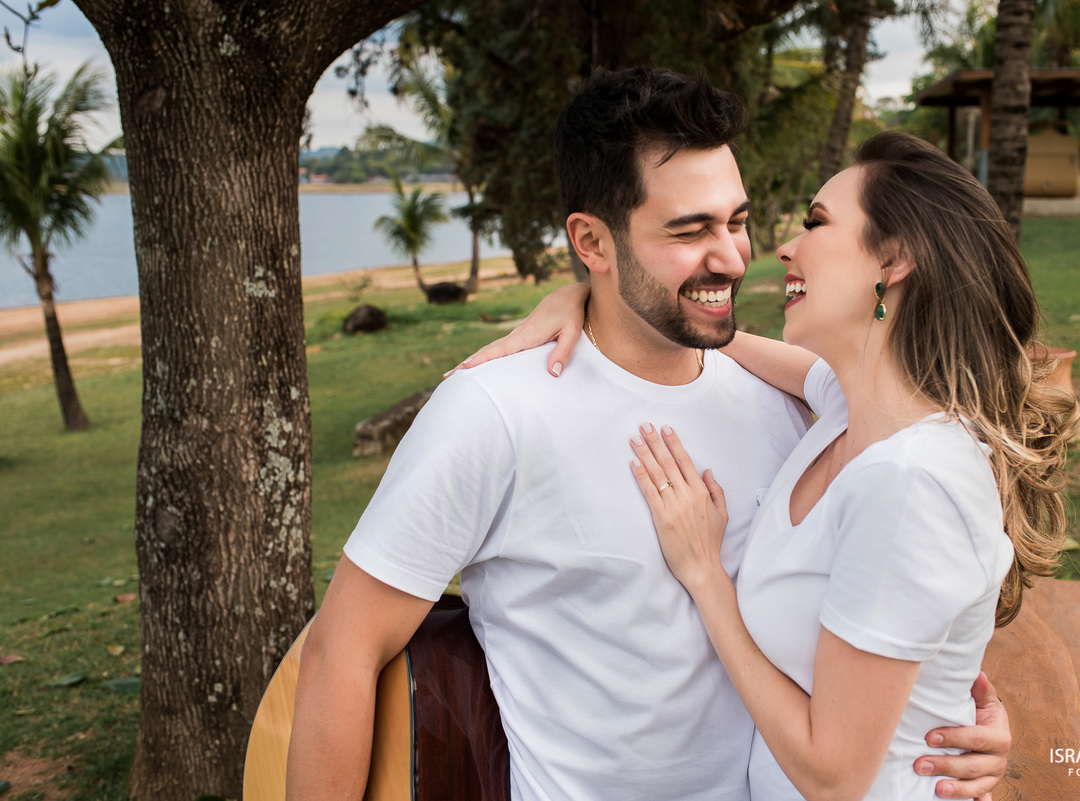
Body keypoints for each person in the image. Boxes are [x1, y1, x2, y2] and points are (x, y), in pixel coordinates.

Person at [287, 69, 1010, 801]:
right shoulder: (496, 412)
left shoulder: (804, 409)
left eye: (737, 219)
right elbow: (341, 651)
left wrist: (943, 723)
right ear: (591, 242)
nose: (733, 256)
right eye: (690, 230)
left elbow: (895, 601)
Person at [463, 131, 1080, 799]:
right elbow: (724, 341)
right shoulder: (851, 409)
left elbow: (833, 774)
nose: (783, 246)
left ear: (895, 259)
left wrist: (706, 578)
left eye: (817, 222)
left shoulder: (910, 480)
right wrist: (589, 296)